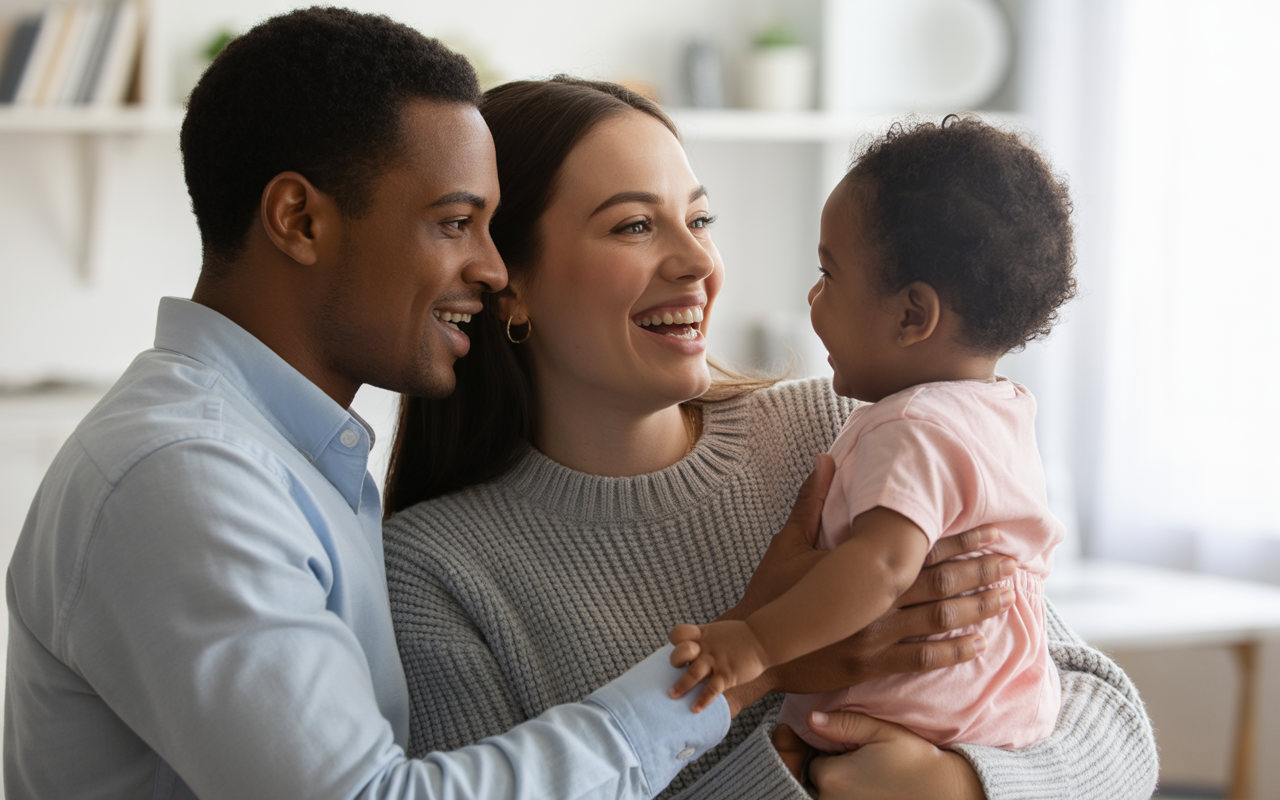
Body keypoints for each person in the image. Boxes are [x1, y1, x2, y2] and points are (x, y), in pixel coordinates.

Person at [7, 10, 741, 799]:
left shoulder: (291, 457)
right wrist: (727, 675)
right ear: (300, 220)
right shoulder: (184, 476)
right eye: (455, 223)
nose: (494, 271)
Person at [382, 78, 1159, 799]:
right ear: (508, 279)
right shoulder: (437, 574)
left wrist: (958, 785)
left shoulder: (844, 428)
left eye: (699, 219)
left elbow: (1106, 721)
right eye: (634, 226)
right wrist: (784, 755)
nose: (697, 263)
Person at [668, 117, 1073, 754]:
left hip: (923, 720)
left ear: (912, 315)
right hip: (1002, 711)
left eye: (829, 275)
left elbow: (882, 566)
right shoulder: (1002, 409)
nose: (811, 295)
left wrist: (756, 644)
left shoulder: (913, 426)